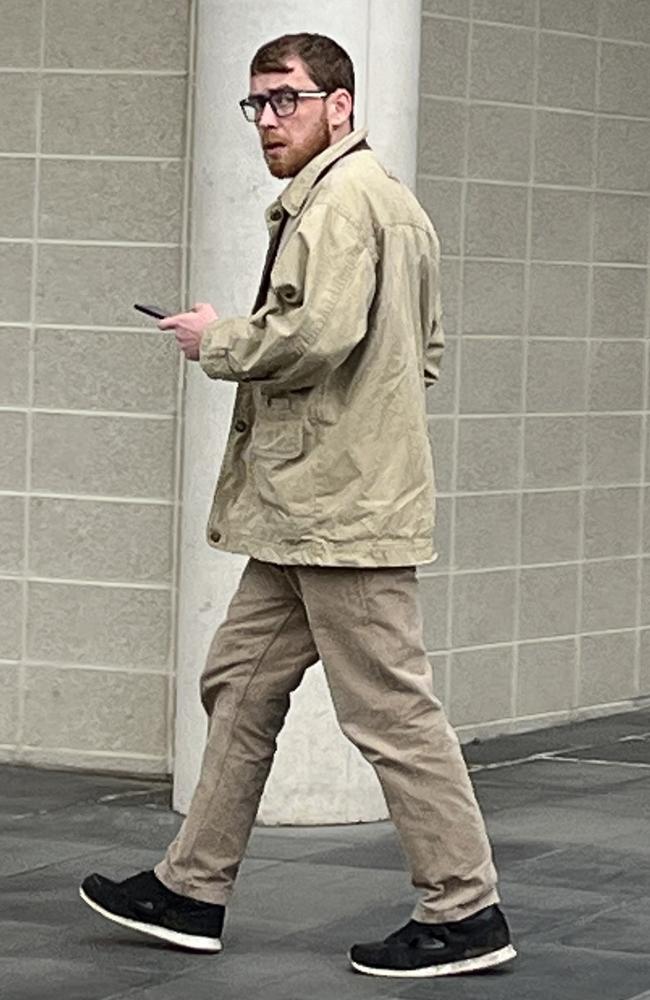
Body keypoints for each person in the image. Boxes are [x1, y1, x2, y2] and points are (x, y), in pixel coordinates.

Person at [79, 32, 516, 979]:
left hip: (339, 514)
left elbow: (313, 338)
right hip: (310, 505)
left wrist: (217, 338)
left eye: (288, 100)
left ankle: (466, 908)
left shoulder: (342, 205)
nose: (269, 120)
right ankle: (191, 887)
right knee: (240, 684)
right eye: (258, 104)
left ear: (341, 106)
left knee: (393, 716)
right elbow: (424, 351)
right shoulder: (385, 204)